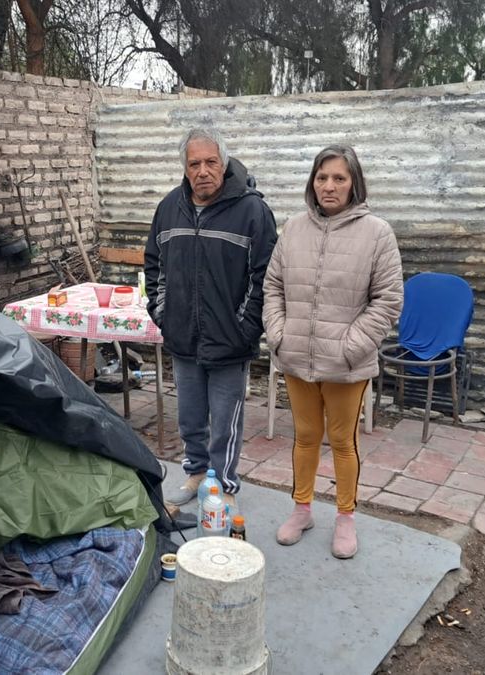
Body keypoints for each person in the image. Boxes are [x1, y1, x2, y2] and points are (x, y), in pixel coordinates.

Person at [263, 145, 403, 559]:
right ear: (312, 182)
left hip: (346, 364)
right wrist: (279, 333)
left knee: (343, 441)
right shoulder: (293, 229)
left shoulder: (377, 233)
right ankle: (302, 509)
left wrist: (352, 346)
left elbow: (388, 299)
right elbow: (273, 287)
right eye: (322, 177)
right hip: (297, 356)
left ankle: (345, 517)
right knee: (305, 437)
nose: (329, 186)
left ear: (354, 183)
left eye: (339, 178)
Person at [144, 128, 278, 511]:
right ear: (185, 169)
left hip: (229, 341)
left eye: (210, 162)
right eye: (194, 164)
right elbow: (154, 265)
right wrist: (163, 312)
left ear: (224, 163)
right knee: (189, 417)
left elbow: (266, 276)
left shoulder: (252, 211)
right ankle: (196, 473)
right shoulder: (170, 207)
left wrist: (244, 327)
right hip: (184, 336)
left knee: (225, 422)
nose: (203, 171)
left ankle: (224, 485)